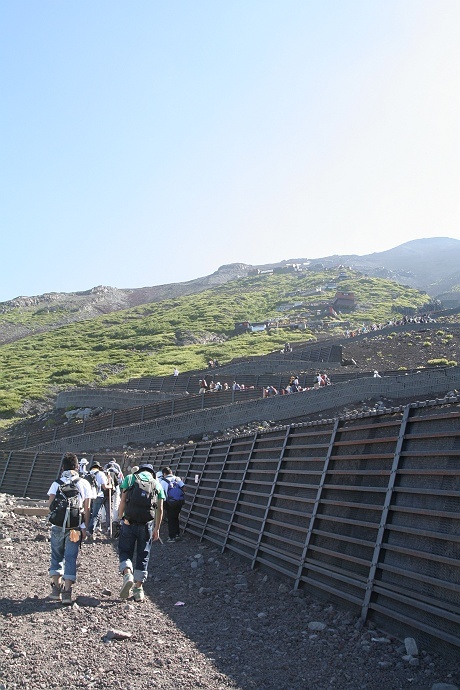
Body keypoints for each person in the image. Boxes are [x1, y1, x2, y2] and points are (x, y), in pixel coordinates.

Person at [46, 452, 91, 605]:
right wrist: (84, 526)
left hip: (58, 526)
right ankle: (67, 592)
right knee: (71, 557)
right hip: (75, 528)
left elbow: (50, 504)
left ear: (63, 466)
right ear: (77, 467)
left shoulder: (57, 482)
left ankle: (55, 589)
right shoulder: (83, 483)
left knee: (56, 555)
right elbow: (87, 507)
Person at [117, 464, 164, 602]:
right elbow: (160, 509)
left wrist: (120, 518)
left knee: (125, 550)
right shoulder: (157, 484)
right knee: (143, 554)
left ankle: (127, 574)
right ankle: (138, 590)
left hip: (129, 522)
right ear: (152, 473)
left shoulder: (130, 478)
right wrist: (157, 528)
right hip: (146, 525)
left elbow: (123, 500)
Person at [159, 466, 186, 543]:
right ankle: (177, 534)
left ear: (164, 473)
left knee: (171, 519)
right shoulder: (177, 479)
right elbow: (184, 489)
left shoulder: (163, 481)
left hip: (170, 502)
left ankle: (172, 537)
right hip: (179, 501)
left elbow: (161, 493)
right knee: (176, 517)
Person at [87, 461, 108, 540]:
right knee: (96, 514)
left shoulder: (87, 474)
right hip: (98, 496)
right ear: (98, 467)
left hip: (89, 496)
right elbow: (104, 486)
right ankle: (90, 530)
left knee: (90, 513)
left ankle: (90, 528)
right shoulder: (101, 474)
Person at [103, 459, 124, 536]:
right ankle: (115, 519)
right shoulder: (117, 467)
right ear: (114, 462)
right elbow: (120, 479)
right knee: (115, 504)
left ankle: (104, 519)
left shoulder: (105, 468)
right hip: (116, 488)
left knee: (106, 505)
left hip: (107, 489)